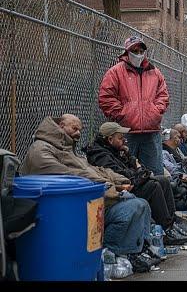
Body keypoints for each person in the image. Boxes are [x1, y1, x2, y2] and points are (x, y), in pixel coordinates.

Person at [20, 115, 162, 272]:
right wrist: (112, 187)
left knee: (141, 202)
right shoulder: (41, 150)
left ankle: (139, 249)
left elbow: (94, 170)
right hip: (66, 209)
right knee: (133, 206)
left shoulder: (68, 149)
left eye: (80, 129)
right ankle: (112, 252)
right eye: (74, 128)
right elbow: (72, 175)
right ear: (61, 125)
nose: (78, 133)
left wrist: (120, 180)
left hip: (82, 202)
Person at [83, 122, 187, 246]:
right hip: (121, 189)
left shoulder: (116, 151)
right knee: (153, 186)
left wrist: (129, 157)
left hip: (132, 181)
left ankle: (171, 225)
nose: (124, 141)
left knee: (163, 181)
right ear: (110, 139)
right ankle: (166, 230)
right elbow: (122, 174)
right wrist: (137, 169)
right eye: (120, 138)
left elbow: (135, 169)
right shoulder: (100, 155)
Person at [98, 35, 169, 176]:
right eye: (134, 50)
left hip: (151, 131)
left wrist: (155, 111)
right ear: (127, 52)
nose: (138, 54)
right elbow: (106, 97)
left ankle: (155, 197)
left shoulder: (155, 72)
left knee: (155, 173)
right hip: (126, 133)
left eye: (141, 50)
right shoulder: (115, 72)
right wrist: (122, 115)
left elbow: (163, 95)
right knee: (127, 172)